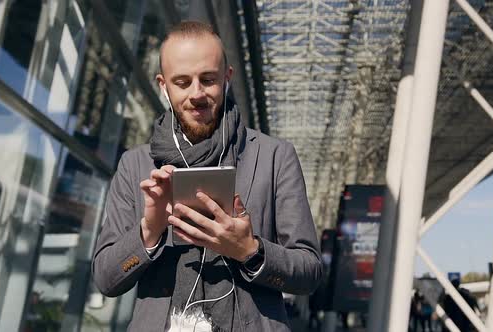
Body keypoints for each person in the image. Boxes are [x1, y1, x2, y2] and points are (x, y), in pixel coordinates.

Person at [91, 21, 322, 331]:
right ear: (163, 85)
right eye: (182, 82)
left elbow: (309, 271)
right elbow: (106, 278)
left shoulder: (274, 156)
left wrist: (250, 251)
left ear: (227, 78)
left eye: (208, 80)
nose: (196, 93)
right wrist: (149, 230)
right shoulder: (135, 165)